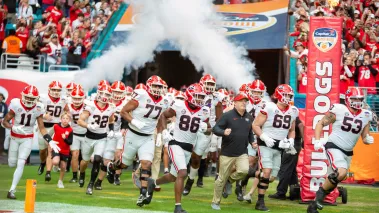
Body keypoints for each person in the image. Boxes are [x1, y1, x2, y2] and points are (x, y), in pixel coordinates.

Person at [307, 87, 374, 213]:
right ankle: (318, 200)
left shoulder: (366, 115)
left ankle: (314, 204)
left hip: (348, 152)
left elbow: (364, 137)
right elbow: (321, 123)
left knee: (336, 179)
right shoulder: (339, 109)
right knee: (341, 172)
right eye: (354, 98)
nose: (357, 101)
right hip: (334, 145)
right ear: (348, 99)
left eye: (359, 99)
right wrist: (317, 139)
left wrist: (367, 139)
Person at [108, 75, 169, 206]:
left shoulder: (164, 101)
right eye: (155, 86)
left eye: (159, 86)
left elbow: (161, 117)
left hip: (147, 137)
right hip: (133, 135)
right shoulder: (141, 96)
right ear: (148, 86)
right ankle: (112, 167)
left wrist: (160, 133)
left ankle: (142, 193)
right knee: (124, 164)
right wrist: (134, 121)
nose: (157, 89)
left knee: (146, 163)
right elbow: (124, 111)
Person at [148, 83, 211, 213]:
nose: (199, 99)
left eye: (201, 97)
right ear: (189, 95)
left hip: (189, 147)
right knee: (182, 173)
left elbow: (208, 129)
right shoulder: (179, 105)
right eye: (197, 96)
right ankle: (178, 207)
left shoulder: (203, 111)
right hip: (175, 143)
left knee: (172, 176)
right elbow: (163, 115)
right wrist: (164, 131)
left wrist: (207, 130)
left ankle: (153, 183)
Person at [1, 85, 60, 199]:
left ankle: (12, 190)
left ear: (36, 99)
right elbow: (4, 121)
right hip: (14, 136)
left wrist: (50, 140)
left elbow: (42, 128)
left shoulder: (38, 108)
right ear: (23, 96)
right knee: (11, 163)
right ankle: (8, 142)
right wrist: (12, 127)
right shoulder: (16, 104)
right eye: (27, 97)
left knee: (21, 162)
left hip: (27, 137)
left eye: (32, 98)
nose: (29, 100)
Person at [252, 84, 298, 211]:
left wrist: (291, 140)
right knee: (266, 172)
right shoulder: (269, 107)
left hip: (279, 147)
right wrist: (264, 137)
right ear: (278, 95)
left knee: (271, 177)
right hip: (266, 144)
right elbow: (255, 125)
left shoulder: (293, 111)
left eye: (289, 95)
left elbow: (292, 130)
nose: (287, 98)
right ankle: (260, 201)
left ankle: (249, 173)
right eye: (285, 95)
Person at [183, 76, 225, 196]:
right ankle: (181, 175)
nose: (210, 86)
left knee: (197, 157)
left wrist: (212, 130)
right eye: (208, 83)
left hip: (206, 130)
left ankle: (191, 180)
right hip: (192, 126)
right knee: (186, 153)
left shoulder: (217, 98)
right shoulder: (196, 92)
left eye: (212, 84)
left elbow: (219, 118)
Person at [210, 92, 252, 210]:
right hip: (227, 152)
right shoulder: (227, 115)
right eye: (241, 101)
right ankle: (216, 202)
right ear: (235, 103)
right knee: (220, 179)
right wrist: (223, 132)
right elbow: (215, 128)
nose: (244, 103)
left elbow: (249, 133)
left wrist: (252, 141)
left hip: (242, 151)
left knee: (244, 171)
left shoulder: (249, 117)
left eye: (245, 101)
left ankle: (230, 180)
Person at [77, 83, 115, 195]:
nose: (105, 96)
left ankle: (91, 185)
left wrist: (111, 129)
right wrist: (88, 126)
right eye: (103, 93)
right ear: (98, 93)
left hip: (101, 138)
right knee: (84, 161)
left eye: (107, 94)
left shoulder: (111, 107)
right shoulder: (91, 106)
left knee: (97, 159)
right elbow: (80, 120)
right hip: (89, 137)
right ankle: (82, 173)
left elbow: (111, 120)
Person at [94, 81, 127, 189]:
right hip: (103, 133)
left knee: (117, 155)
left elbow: (126, 121)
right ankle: (100, 179)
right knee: (103, 160)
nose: (117, 94)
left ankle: (113, 176)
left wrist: (121, 132)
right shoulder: (104, 101)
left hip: (117, 133)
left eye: (119, 92)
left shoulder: (125, 103)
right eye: (115, 92)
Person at [37, 81, 68, 182]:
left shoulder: (63, 100)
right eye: (54, 89)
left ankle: (48, 172)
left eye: (58, 90)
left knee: (51, 148)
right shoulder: (43, 98)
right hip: (44, 127)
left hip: (56, 127)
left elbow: (67, 111)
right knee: (42, 151)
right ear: (49, 90)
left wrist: (65, 118)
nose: (56, 92)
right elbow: (35, 109)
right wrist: (44, 114)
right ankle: (42, 163)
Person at [269, 116, 303, 200]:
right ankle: (294, 192)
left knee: (285, 168)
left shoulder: (291, 114)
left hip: (292, 143)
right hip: (293, 142)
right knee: (291, 169)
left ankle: (281, 192)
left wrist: (304, 139)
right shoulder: (290, 114)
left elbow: (301, 125)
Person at [66, 86, 86, 183]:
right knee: (75, 155)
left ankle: (82, 174)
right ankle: (74, 176)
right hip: (75, 134)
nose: (77, 101)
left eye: (79, 98)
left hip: (87, 134)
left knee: (87, 157)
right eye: (75, 98)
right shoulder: (68, 106)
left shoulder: (87, 106)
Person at [52, 113, 73, 189]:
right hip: (56, 148)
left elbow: (70, 142)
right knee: (55, 161)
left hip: (65, 150)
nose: (65, 120)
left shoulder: (70, 130)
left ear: (69, 120)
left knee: (63, 166)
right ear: (60, 119)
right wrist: (50, 142)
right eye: (63, 118)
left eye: (67, 118)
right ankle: (55, 165)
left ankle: (60, 181)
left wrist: (65, 139)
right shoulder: (56, 126)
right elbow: (49, 135)